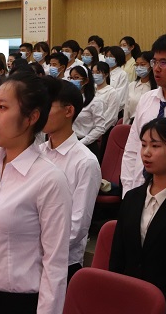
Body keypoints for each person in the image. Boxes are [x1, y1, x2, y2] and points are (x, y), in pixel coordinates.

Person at [0, 71, 71, 314]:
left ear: (31, 117)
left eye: (3, 107)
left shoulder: (49, 179)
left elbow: (55, 265)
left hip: (17, 304)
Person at [111, 118, 166, 314]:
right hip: (127, 299)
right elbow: (117, 258)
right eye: (144, 145)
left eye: (155, 146)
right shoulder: (132, 198)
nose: (146, 152)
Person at [40, 78, 101, 282]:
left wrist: (42, 250)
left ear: (68, 111)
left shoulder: (85, 162)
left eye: (48, 106)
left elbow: (78, 224)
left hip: (62, 262)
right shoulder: (37, 152)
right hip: (28, 257)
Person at [122, 33, 166, 196]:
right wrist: (128, 192)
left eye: (163, 62)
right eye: (154, 62)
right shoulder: (146, 99)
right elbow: (132, 149)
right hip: (140, 190)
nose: (156, 68)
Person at [70, 66, 106, 157]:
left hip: (86, 145)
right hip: (69, 143)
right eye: (71, 78)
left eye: (76, 78)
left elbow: (100, 128)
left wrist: (82, 142)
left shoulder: (95, 102)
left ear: (86, 80)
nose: (73, 81)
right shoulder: (67, 100)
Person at [123, 51, 157, 125]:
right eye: (137, 64)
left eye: (142, 64)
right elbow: (126, 110)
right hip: (132, 123)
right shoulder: (131, 85)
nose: (139, 67)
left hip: (150, 125)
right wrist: (125, 126)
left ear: (151, 65)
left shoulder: (157, 87)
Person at [92, 62, 120, 131]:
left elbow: (111, 116)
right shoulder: (91, 90)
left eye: (98, 73)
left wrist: (97, 130)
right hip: (88, 127)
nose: (94, 75)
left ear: (106, 74)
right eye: (93, 72)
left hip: (104, 129)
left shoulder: (112, 92)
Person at [105, 46, 129, 112]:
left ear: (118, 58)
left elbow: (120, 96)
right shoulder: (104, 73)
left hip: (115, 110)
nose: (108, 58)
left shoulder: (122, 74)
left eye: (111, 56)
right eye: (106, 56)